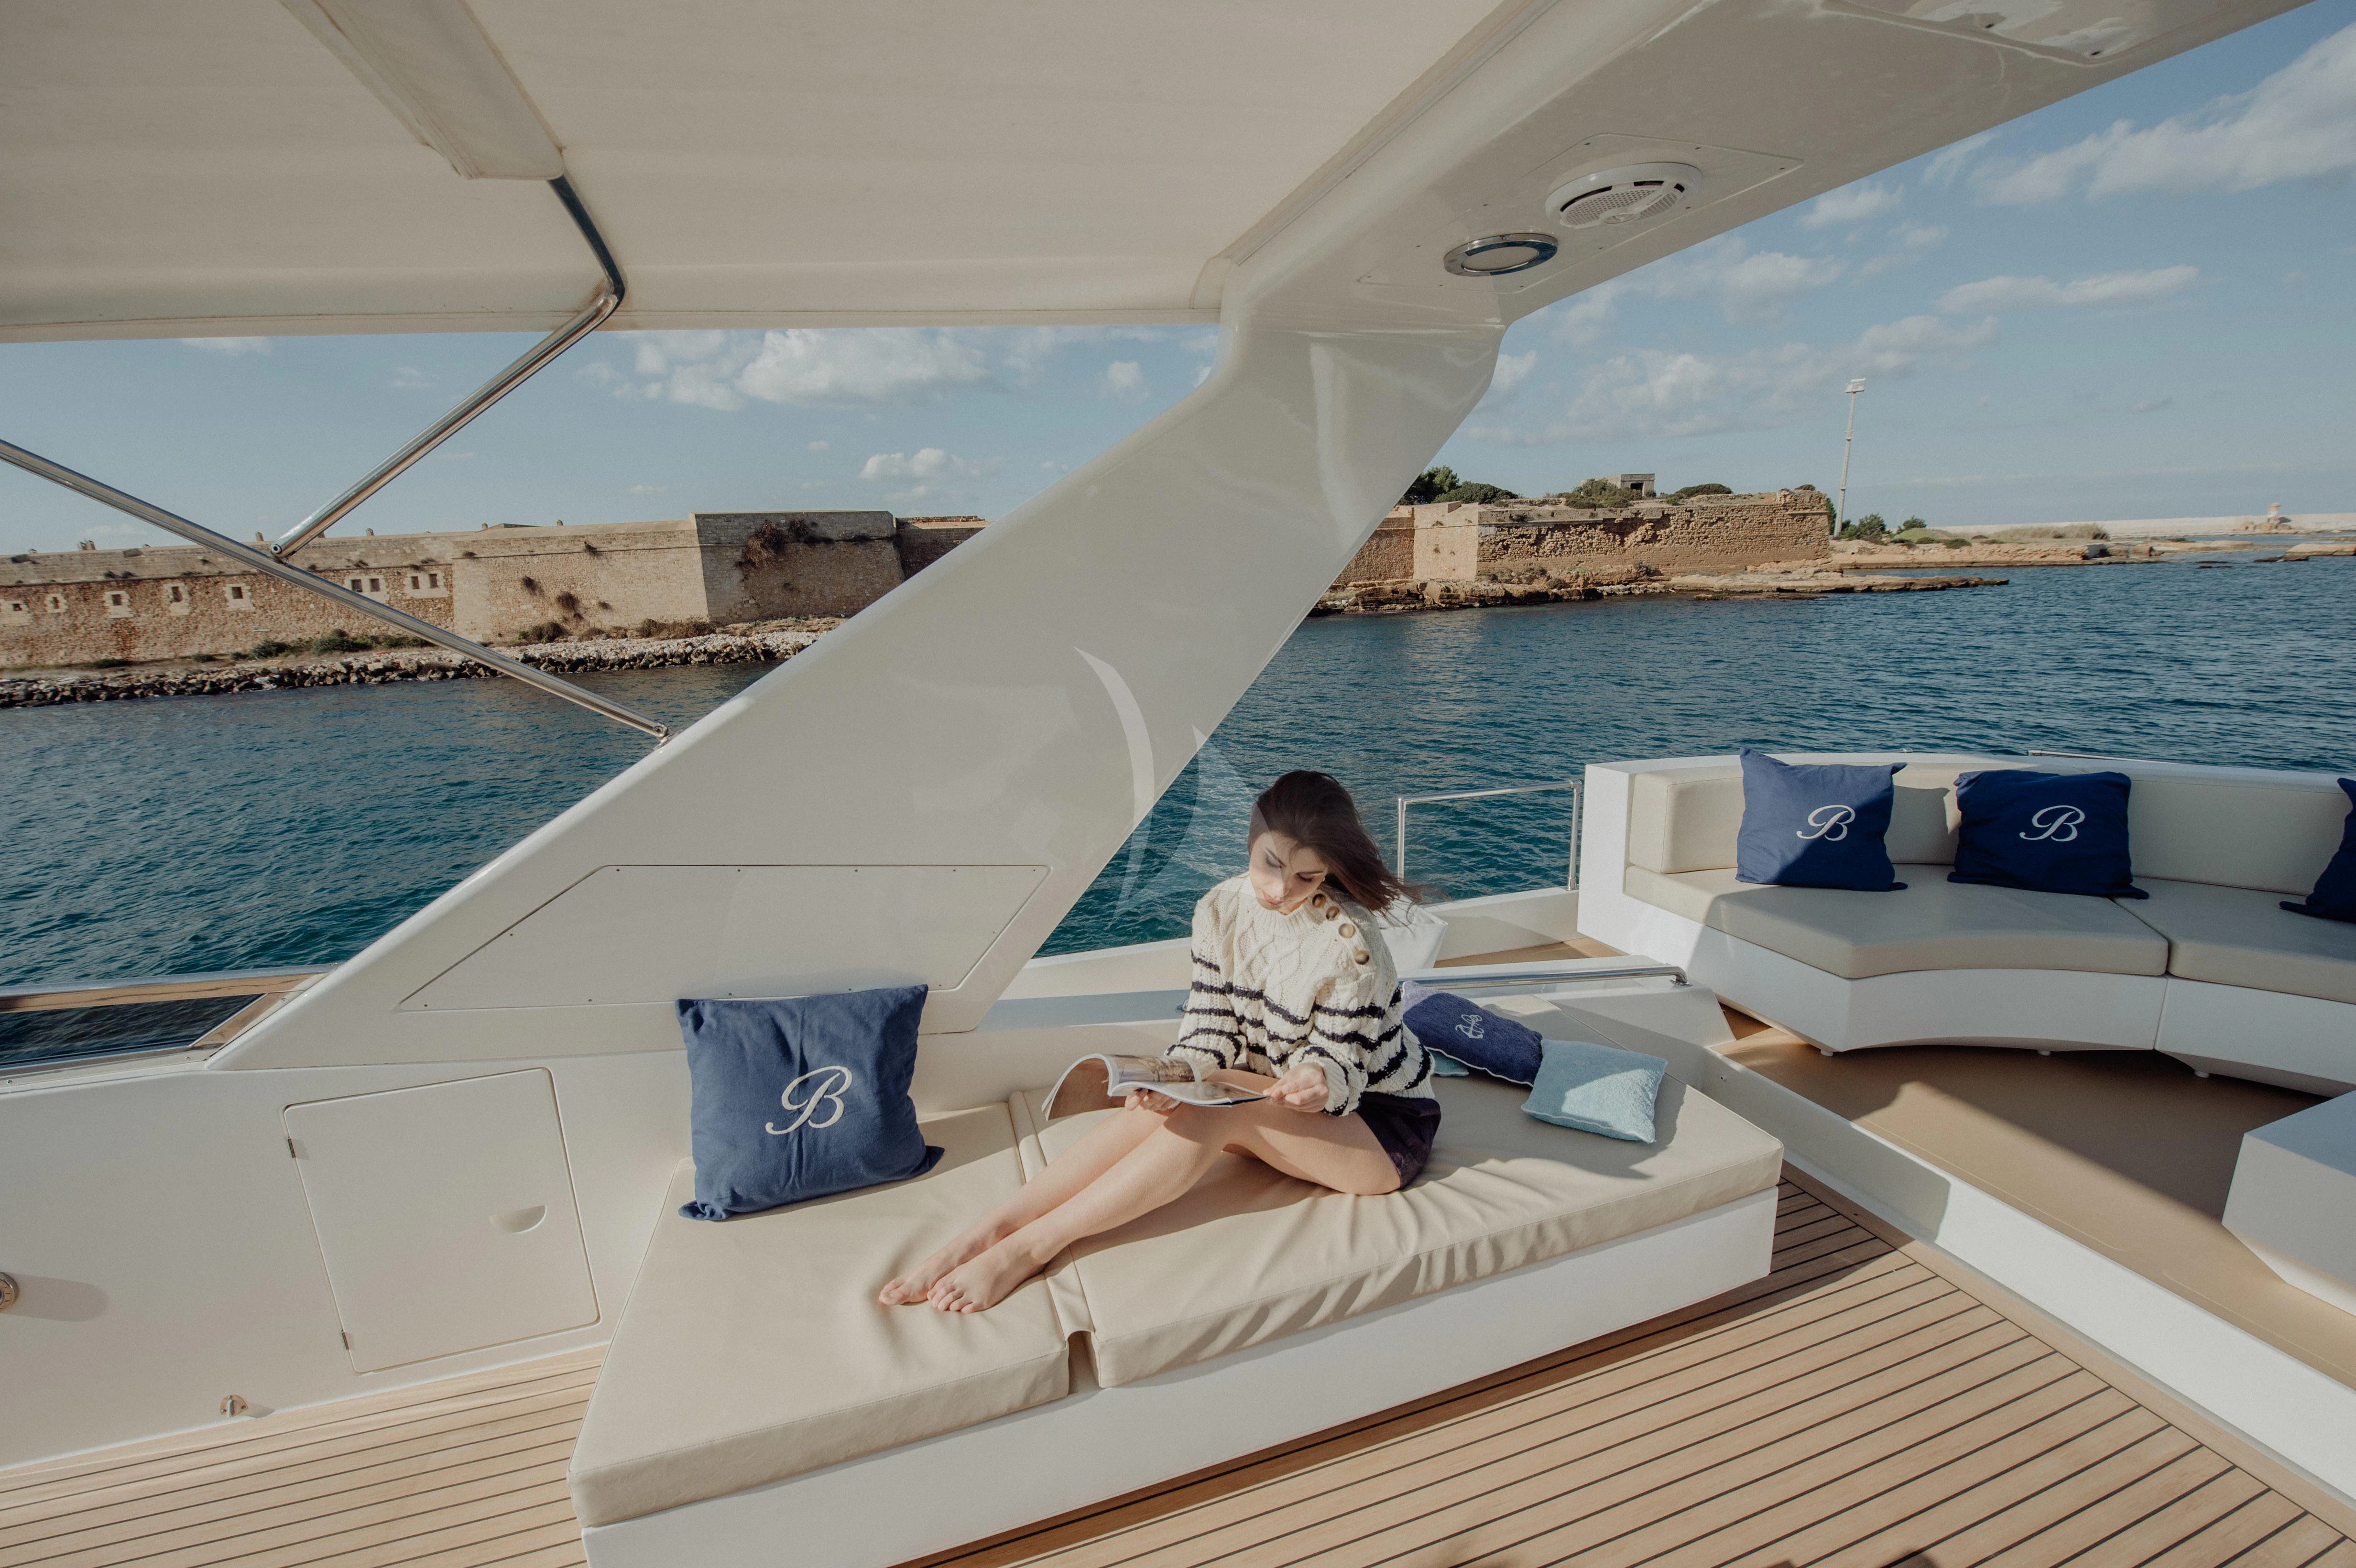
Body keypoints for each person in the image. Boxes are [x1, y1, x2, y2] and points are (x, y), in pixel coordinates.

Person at [880, 770, 1439, 1314]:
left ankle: (1029, 1248)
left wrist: (1318, 1079)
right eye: (1271, 864)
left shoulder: (1351, 944)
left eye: (1306, 877)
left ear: (1328, 872)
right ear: (1251, 839)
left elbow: (1339, 1059)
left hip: (1376, 1125)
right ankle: (986, 1232)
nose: (1279, 890)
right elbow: (1211, 1026)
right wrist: (1173, 1075)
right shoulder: (1219, 909)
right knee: (1177, 1101)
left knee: (1213, 1109)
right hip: (1275, 1095)